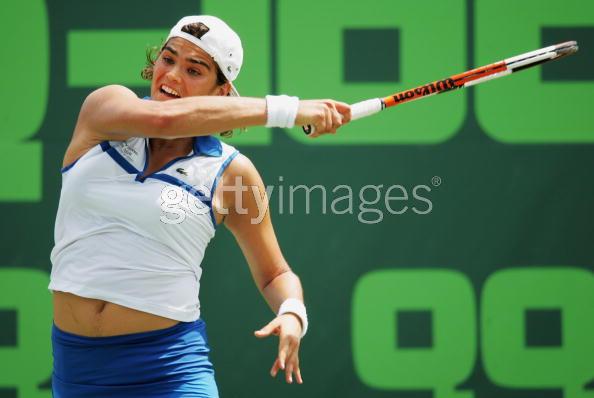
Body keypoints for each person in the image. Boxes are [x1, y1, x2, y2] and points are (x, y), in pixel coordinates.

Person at [48, 15, 351, 397]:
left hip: (169, 371)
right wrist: (291, 110)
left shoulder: (232, 174)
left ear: (222, 93)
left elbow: (275, 274)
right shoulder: (104, 110)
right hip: (76, 371)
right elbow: (162, 120)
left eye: (194, 70)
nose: (172, 75)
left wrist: (293, 312)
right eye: (168, 58)